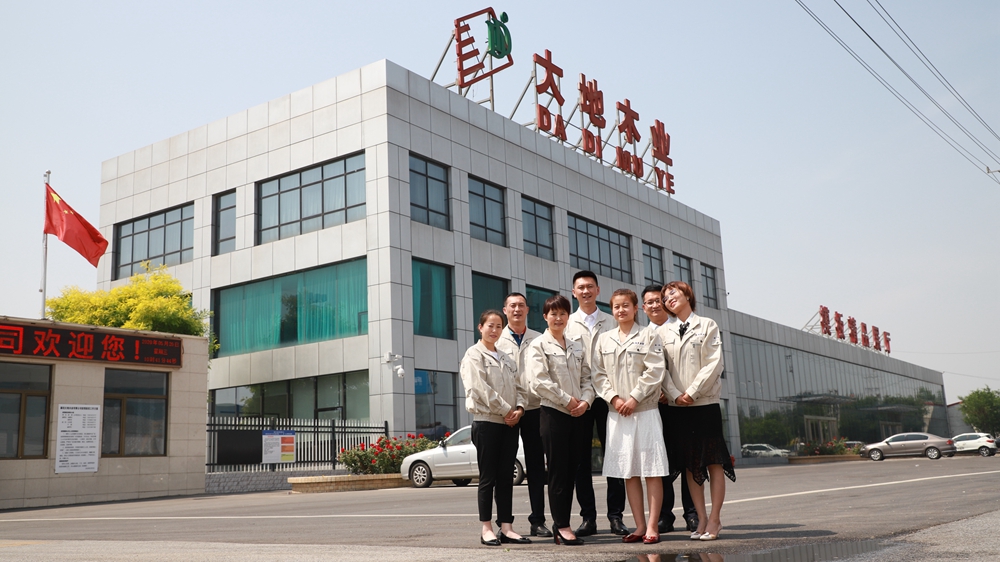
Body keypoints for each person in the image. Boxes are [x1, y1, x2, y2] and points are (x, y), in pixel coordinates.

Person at [658, 281, 734, 541]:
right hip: (678, 406)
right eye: (665, 297)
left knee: (713, 462)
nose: (668, 299)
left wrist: (692, 392)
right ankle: (701, 518)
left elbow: (714, 363)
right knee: (690, 465)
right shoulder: (663, 332)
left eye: (673, 293)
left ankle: (715, 519)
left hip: (704, 404)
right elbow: (660, 369)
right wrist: (675, 394)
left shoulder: (707, 325)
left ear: (687, 294)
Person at [592, 288, 669, 544]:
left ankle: (652, 526)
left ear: (636, 308)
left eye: (626, 305)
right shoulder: (604, 340)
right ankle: (639, 526)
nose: (621, 310)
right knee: (629, 471)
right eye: (616, 306)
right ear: (612, 310)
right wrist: (614, 398)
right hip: (618, 415)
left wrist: (634, 397)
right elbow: (598, 375)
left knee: (652, 470)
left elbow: (655, 370)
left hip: (645, 411)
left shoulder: (649, 335)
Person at [525, 294, 594, 546]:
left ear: (568, 316)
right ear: (545, 316)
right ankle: (562, 526)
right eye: (553, 313)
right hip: (553, 414)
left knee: (572, 470)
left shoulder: (576, 345)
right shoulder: (538, 345)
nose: (558, 318)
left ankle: (561, 523)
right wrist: (567, 400)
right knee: (557, 471)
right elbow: (539, 381)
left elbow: (587, 378)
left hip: (578, 414)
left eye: (563, 313)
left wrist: (585, 402)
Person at [565, 271, 628, 536]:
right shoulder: (566, 323)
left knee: (614, 457)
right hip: (579, 399)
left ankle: (616, 517)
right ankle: (588, 518)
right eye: (580, 287)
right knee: (580, 460)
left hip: (609, 397)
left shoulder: (612, 321)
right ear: (574, 292)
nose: (586, 291)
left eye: (590, 286)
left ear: (598, 290)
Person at [459, 309, 530, 546]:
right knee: (488, 478)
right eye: (490, 325)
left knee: (506, 478)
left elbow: (520, 388)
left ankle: (507, 527)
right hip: (487, 422)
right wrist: (507, 410)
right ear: (480, 328)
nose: (494, 330)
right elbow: (480, 388)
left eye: (499, 326)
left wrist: (519, 409)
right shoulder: (473, 355)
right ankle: (486, 528)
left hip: (509, 424)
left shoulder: (506, 358)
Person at [641, 284, 699, 534]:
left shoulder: (680, 328)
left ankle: (692, 513)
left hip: (682, 403)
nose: (655, 305)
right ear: (643, 308)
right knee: (659, 461)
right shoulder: (642, 334)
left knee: (688, 459)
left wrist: (674, 393)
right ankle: (664, 516)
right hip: (654, 406)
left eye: (659, 300)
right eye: (650, 302)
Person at [495, 292, 550, 538]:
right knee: (504, 468)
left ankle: (538, 520)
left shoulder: (540, 339)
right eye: (512, 306)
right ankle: (504, 523)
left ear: (528, 310)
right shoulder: (496, 339)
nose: (517, 309)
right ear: (505, 310)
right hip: (507, 411)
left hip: (535, 408)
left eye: (521, 305)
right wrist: (507, 408)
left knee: (536, 467)